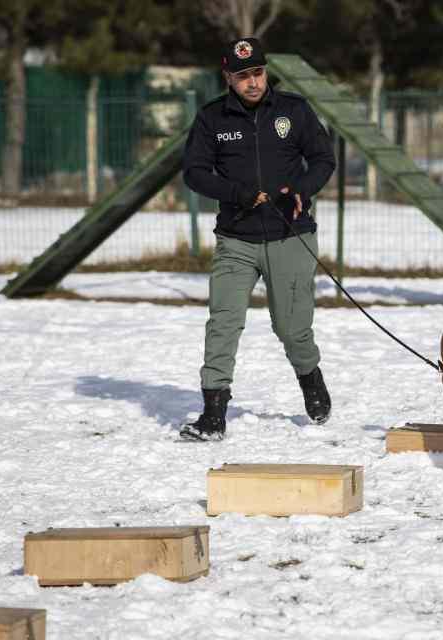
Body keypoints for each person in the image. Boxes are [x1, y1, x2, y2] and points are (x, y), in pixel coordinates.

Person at [180, 36, 336, 441]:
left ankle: (310, 376)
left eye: (258, 73)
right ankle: (213, 413)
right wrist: (236, 193)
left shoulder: (294, 111)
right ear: (228, 78)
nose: (252, 82)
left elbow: (324, 158)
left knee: (291, 328)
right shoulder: (212, 118)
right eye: (243, 76)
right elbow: (194, 172)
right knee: (224, 322)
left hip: (290, 236)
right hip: (236, 239)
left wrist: (302, 189)